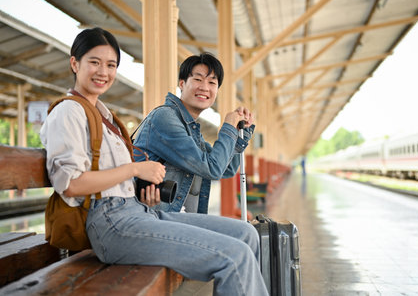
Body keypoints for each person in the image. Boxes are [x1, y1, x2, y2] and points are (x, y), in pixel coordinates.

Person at [40, 27, 268, 296]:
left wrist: (239, 134)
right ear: (74, 63)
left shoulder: (107, 118)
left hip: (139, 212)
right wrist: (136, 169)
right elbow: (71, 184)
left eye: (111, 65)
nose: (103, 72)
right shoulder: (68, 112)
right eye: (94, 62)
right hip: (112, 224)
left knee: (246, 234)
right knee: (235, 255)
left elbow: (224, 167)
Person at [133, 52, 255, 213]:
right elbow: (213, 168)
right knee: (245, 233)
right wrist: (229, 127)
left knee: (245, 231)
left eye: (212, 82)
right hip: (153, 217)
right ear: (182, 84)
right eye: (198, 79)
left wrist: (240, 131)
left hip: (175, 217)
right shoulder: (165, 118)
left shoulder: (192, 130)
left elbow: (227, 169)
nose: (205, 87)